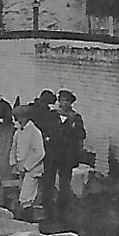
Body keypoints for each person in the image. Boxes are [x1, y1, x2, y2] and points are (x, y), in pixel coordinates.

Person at [44, 90, 86, 218]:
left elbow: (81, 135)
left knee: (64, 183)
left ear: (71, 103)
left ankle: (62, 210)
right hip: (52, 153)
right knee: (48, 181)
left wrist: (73, 130)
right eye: (62, 100)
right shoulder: (53, 115)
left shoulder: (75, 117)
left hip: (66, 155)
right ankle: (48, 209)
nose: (64, 103)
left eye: (67, 100)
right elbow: (46, 129)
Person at [9, 106, 45, 219]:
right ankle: (23, 221)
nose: (18, 120)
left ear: (26, 117)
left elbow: (39, 152)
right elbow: (14, 148)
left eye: (20, 117)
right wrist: (14, 163)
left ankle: (28, 222)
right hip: (20, 169)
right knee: (22, 196)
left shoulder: (35, 132)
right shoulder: (18, 131)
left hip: (32, 170)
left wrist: (26, 166)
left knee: (27, 198)